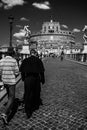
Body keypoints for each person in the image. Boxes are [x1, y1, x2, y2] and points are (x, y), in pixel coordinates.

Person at [20, 49, 45, 118]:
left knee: (28, 93)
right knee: (36, 91)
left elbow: (22, 70)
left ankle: (28, 110)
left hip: (27, 78)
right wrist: (43, 79)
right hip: (36, 78)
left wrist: (23, 78)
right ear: (35, 53)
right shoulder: (38, 60)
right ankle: (34, 105)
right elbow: (42, 71)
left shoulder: (25, 60)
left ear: (30, 53)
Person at [0, 47, 19, 125]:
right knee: (12, 97)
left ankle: (9, 107)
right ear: (13, 53)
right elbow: (17, 72)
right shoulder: (14, 61)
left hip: (4, 81)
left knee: (8, 96)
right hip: (11, 81)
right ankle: (4, 113)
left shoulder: (1, 60)